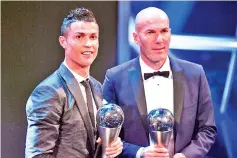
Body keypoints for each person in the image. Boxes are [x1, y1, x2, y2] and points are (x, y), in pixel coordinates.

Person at [103, 7, 217, 158]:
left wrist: (185, 156)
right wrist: (139, 153)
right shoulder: (115, 77)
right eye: (150, 32)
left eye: (164, 31)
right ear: (136, 38)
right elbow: (107, 135)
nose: (159, 39)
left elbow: (207, 129)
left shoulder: (195, 74)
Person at [25, 7, 123, 158]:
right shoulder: (49, 91)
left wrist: (111, 145)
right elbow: (38, 155)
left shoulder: (97, 87)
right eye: (79, 37)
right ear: (63, 41)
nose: (88, 44)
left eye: (93, 37)